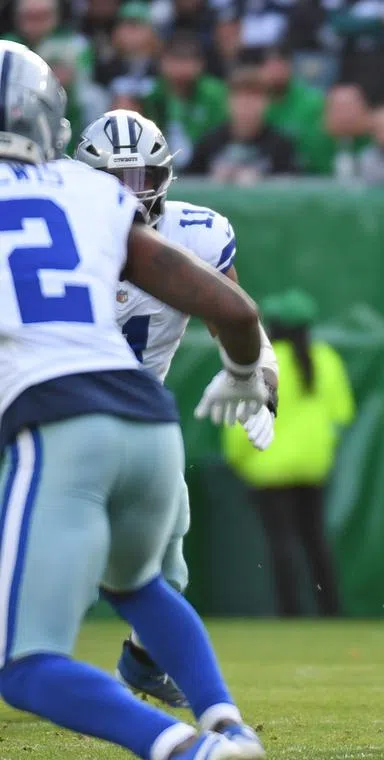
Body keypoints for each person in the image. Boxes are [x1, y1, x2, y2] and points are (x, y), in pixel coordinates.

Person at [0, 41, 266, 759]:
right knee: (140, 584)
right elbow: (234, 311)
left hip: (58, 421)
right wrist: (246, 373)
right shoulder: (90, 194)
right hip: (149, 421)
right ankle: (226, 726)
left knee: (25, 666)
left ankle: (187, 750)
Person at [73, 109, 280, 709]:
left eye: (142, 176)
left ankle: (142, 663)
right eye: (115, 179)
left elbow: (233, 313)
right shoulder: (53, 228)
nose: (132, 193)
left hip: (137, 414)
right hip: (47, 401)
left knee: (168, 566)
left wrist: (258, 378)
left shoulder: (197, 232)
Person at [222, 289, 355, 618]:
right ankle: (331, 611)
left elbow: (240, 423)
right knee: (315, 542)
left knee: (281, 544)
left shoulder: (254, 364)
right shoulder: (326, 358)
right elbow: (343, 414)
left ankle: (290, 613)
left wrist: (238, 460)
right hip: (314, 466)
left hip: (268, 468)